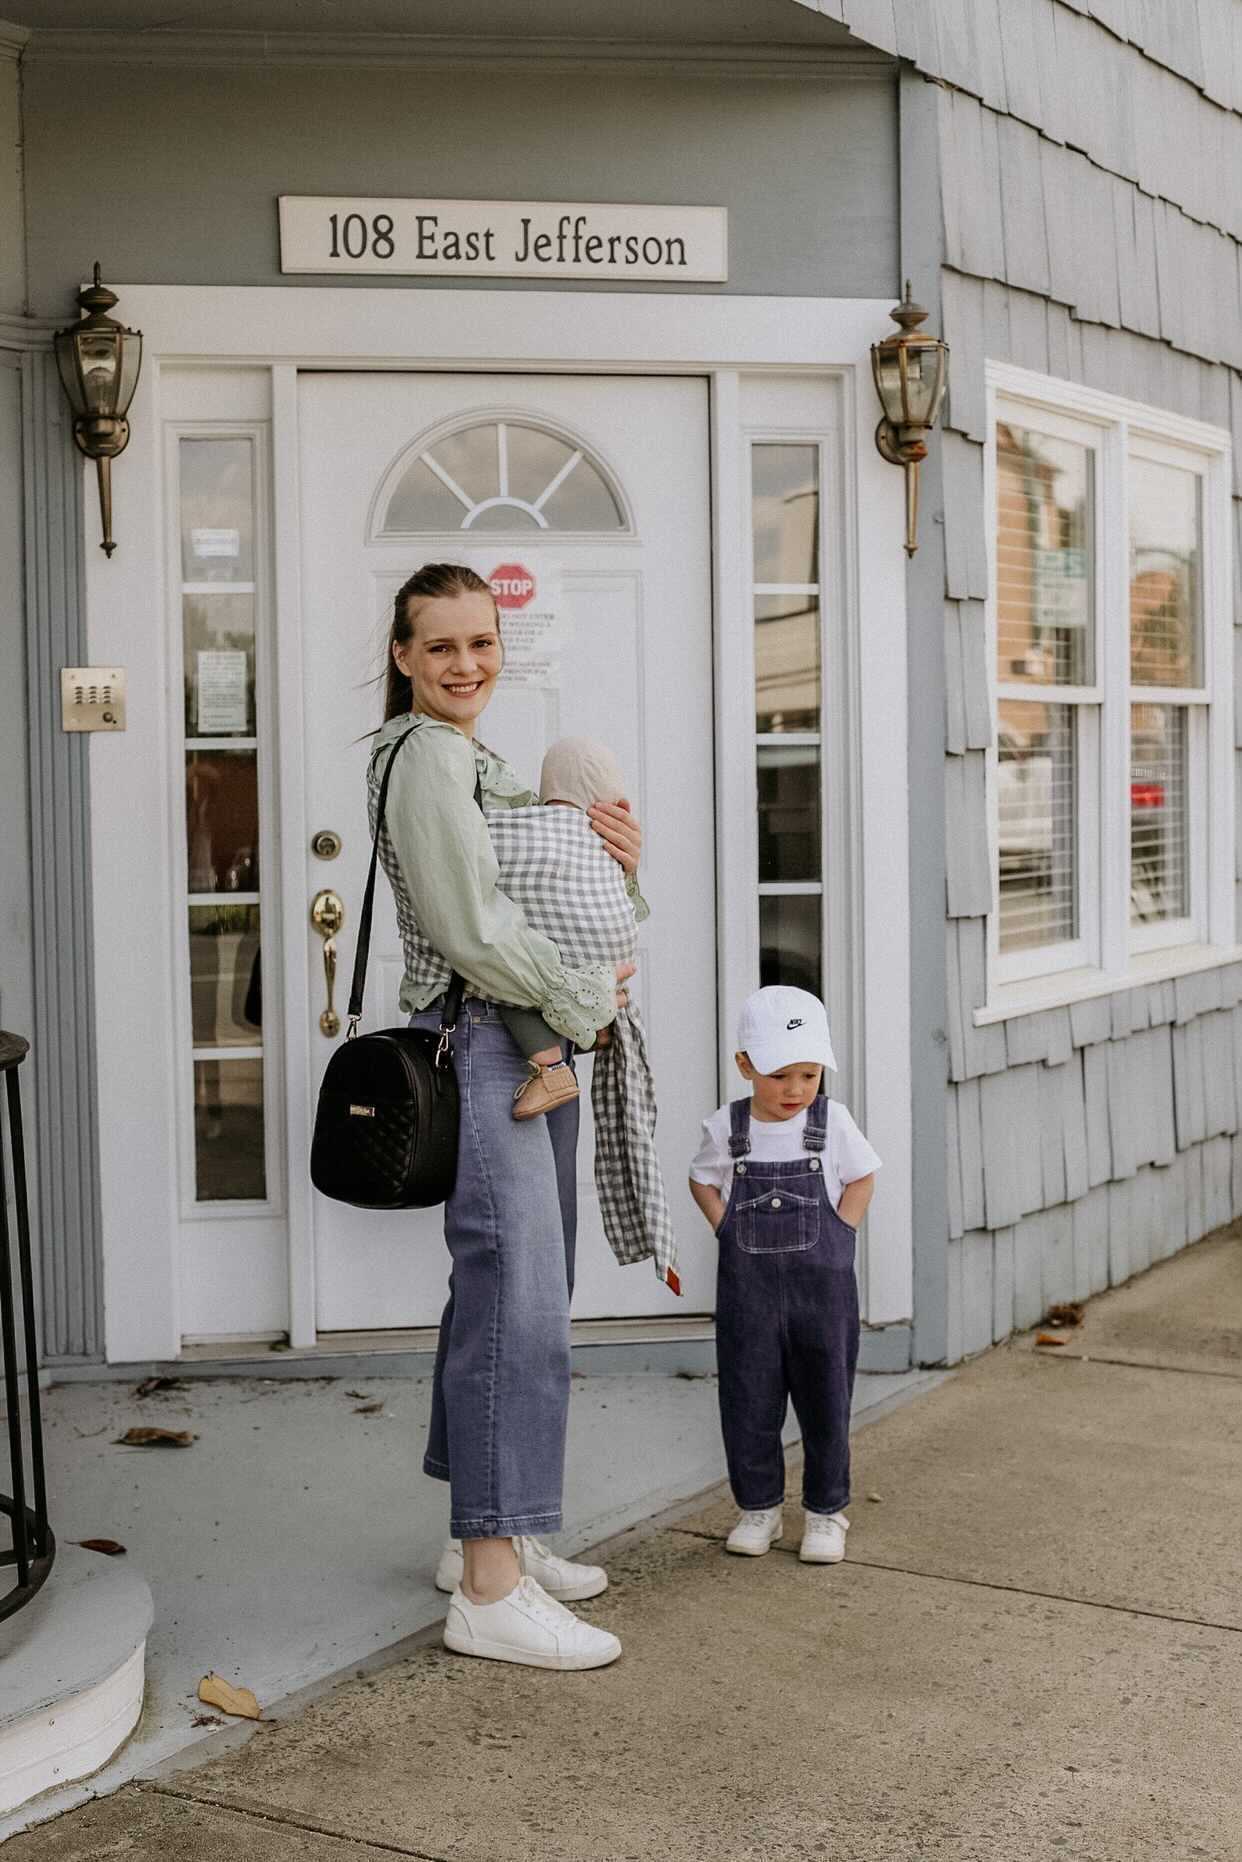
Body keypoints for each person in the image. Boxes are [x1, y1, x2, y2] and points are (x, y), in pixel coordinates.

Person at [367, 562, 640, 1671]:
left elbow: (537, 886)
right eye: (440, 645)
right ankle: (489, 1588)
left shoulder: (469, 755)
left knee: (510, 1290)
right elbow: (471, 928)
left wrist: (615, 862)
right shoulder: (428, 756)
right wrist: (582, 1000)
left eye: (481, 642)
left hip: (520, 1040)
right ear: (402, 655)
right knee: (517, 1305)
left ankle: (483, 1537)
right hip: (488, 1040)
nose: (465, 662)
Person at [688, 985, 881, 1564]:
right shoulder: (728, 1128)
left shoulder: (832, 1122)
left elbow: (863, 1176)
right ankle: (759, 1508)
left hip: (823, 1292)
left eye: (808, 1075)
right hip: (748, 1295)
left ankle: (825, 1512)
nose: (795, 1090)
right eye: (779, 1076)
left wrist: (842, 1231)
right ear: (745, 1065)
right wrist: (725, 1227)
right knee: (748, 1399)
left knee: (826, 1400)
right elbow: (702, 1180)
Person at [498, 736, 634, 1122]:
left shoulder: (524, 826)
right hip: (614, 951)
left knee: (507, 978)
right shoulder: (606, 837)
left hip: (561, 956)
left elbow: (478, 845)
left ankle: (551, 1068)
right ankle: (597, 1027)